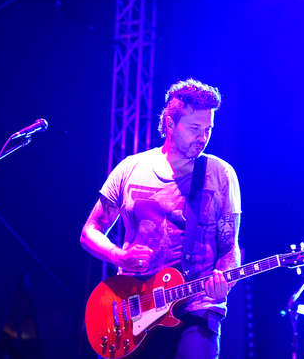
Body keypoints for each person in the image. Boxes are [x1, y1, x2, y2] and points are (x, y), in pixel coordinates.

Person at [80, 79, 241, 359]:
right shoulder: (130, 168)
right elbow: (90, 231)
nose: (203, 137)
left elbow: (229, 247)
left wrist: (225, 282)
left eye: (208, 129)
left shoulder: (221, 174)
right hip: (134, 308)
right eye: (195, 128)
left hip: (197, 307)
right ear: (169, 123)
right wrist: (119, 256)